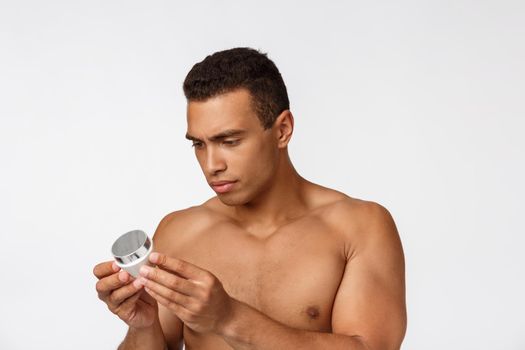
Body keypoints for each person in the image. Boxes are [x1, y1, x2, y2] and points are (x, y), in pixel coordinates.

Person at [93, 47, 407, 350]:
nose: (212, 164)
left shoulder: (358, 227)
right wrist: (142, 326)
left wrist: (228, 317)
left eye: (229, 141)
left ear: (282, 130)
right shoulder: (180, 232)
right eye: (198, 145)